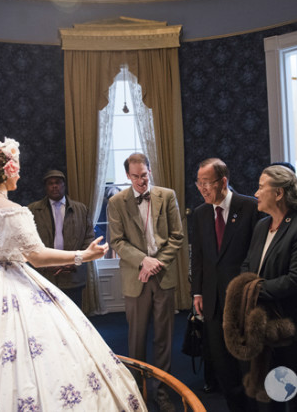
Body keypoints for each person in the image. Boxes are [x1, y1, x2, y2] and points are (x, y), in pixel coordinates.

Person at [0, 138, 146, 411]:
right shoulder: (14, 211)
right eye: (17, 168)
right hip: (10, 284)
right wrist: (83, 255)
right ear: (7, 172)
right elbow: (36, 255)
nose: (20, 174)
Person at [240, 165, 297, 411]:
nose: (256, 193)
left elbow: (296, 280)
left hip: (295, 327)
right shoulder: (261, 226)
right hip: (266, 327)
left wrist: (252, 291)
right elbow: (247, 265)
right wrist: (250, 285)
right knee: (270, 396)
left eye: (261, 186)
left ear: (278, 193)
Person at [107, 152, 184, 412]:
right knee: (136, 339)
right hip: (136, 278)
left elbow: (177, 236)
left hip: (162, 276)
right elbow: (116, 241)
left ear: (150, 171)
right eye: (135, 176)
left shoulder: (167, 195)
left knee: (164, 339)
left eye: (144, 175)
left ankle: (162, 393)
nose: (141, 180)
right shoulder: (117, 202)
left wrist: (155, 263)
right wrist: (143, 261)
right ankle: (137, 392)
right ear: (128, 176)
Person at [190, 158, 259, 412]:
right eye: (199, 183)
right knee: (223, 366)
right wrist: (196, 291)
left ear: (223, 182)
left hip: (242, 300)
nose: (202, 189)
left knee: (247, 364)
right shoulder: (199, 213)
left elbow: (256, 255)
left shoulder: (250, 207)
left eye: (207, 183)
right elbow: (197, 256)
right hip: (212, 301)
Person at [28, 169, 95, 308]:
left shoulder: (81, 209)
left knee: (74, 317)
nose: (54, 186)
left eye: (58, 182)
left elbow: (88, 241)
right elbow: (28, 243)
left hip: (73, 276)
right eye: (50, 183)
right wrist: (47, 263)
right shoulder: (32, 211)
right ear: (45, 187)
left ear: (64, 185)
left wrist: (74, 261)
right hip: (45, 276)